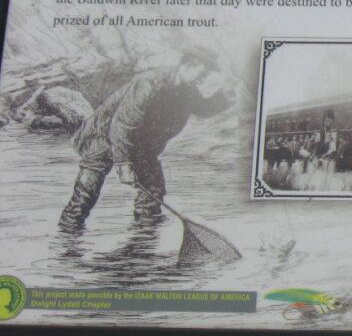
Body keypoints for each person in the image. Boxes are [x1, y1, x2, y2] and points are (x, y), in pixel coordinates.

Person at [58, 48, 231, 231]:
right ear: (187, 65)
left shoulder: (187, 90)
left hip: (140, 145)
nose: (203, 78)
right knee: (85, 195)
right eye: (202, 72)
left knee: (153, 191)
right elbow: (122, 124)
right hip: (102, 137)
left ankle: (145, 236)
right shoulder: (150, 82)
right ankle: (67, 236)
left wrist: (226, 92)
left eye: (206, 74)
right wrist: (124, 164)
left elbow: (204, 110)